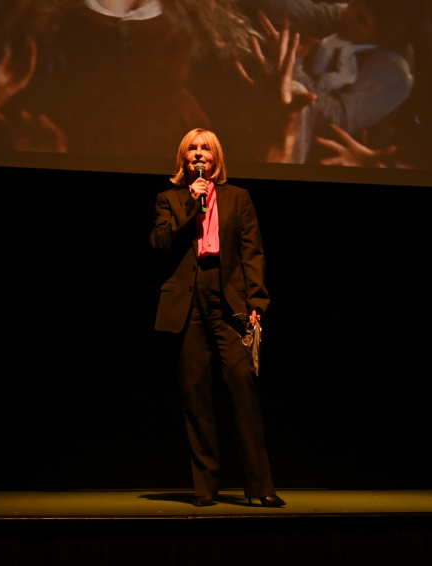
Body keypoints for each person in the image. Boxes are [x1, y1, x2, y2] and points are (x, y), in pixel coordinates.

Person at [150, 128, 284, 508]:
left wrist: (257, 300)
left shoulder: (239, 198)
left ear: (215, 158)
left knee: (243, 387)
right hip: (188, 301)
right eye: (192, 149)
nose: (198, 154)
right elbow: (159, 243)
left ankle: (260, 487)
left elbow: (252, 252)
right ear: (184, 159)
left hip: (229, 300)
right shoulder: (169, 199)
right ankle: (205, 488)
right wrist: (192, 205)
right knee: (196, 395)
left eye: (205, 149)